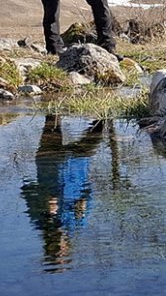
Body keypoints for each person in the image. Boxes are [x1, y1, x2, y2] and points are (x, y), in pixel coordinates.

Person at [21, 114, 106, 272]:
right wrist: (84, 202)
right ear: (67, 247)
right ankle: (104, 106)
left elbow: (26, 190)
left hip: (49, 161)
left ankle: (54, 101)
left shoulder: (39, 221)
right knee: (101, 125)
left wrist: (43, 200)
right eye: (62, 252)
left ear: (48, 247)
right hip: (79, 162)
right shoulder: (78, 223)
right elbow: (89, 193)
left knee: (52, 118)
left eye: (55, 252)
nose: (60, 248)